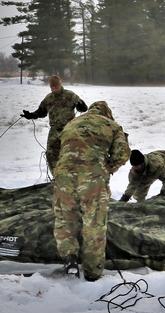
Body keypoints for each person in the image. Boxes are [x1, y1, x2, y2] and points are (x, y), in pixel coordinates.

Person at [52, 100, 130, 281]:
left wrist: (59, 170)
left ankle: (70, 257)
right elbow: (123, 153)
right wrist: (107, 168)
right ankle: (92, 273)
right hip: (92, 178)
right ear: (107, 113)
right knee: (94, 223)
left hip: (64, 175)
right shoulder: (112, 125)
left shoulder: (72, 123)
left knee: (65, 218)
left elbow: (55, 148)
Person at [21, 75, 87, 169]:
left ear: (60, 86)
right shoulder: (49, 98)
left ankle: (71, 176)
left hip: (69, 130)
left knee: (71, 154)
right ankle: (57, 176)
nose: (54, 90)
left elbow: (84, 108)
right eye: (52, 88)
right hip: (54, 131)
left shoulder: (70, 95)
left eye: (56, 87)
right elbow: (41, 112)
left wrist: (81, 106)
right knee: (51, 155)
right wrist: (30, 115)